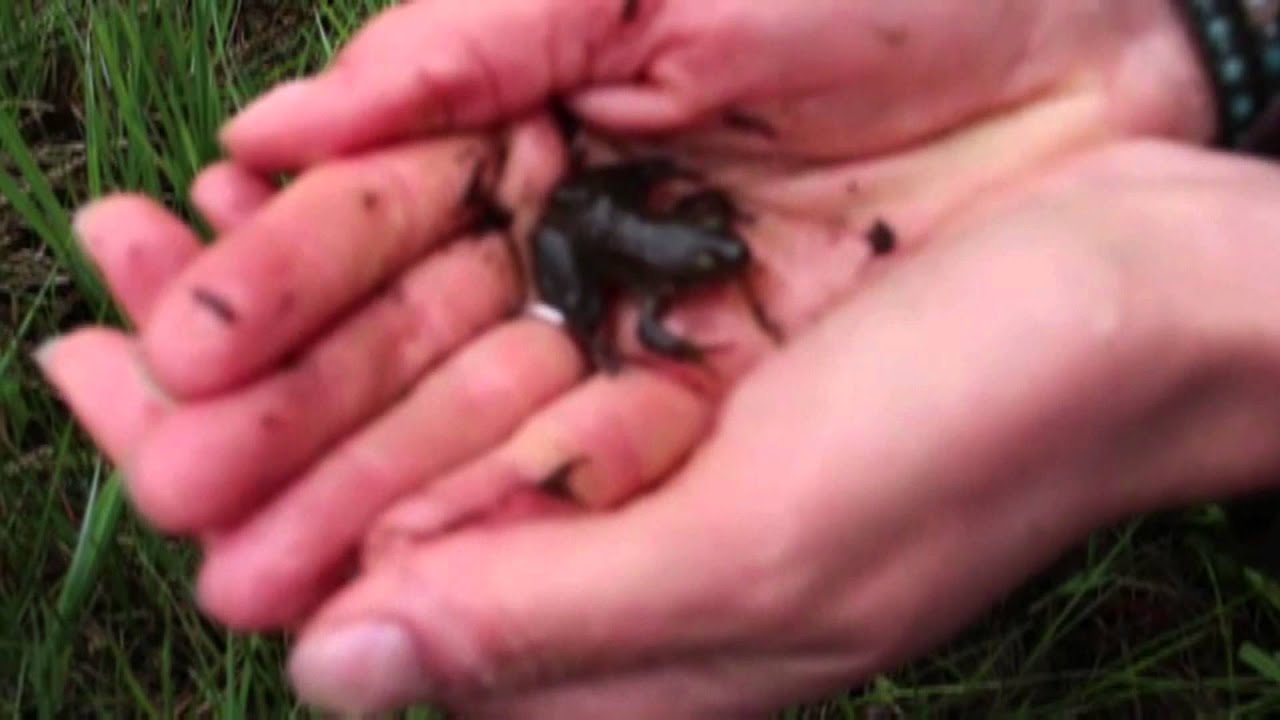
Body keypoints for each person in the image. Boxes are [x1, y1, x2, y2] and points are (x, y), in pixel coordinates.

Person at [36, 2, 1280, 716]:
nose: (719, 267)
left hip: (629, 228)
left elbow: (682, 258)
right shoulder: (659, 257)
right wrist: (1183, 31)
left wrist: (1207, 286)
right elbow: (633, 265)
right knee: (591, 253)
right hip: (588, 234)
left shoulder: (697, 255)